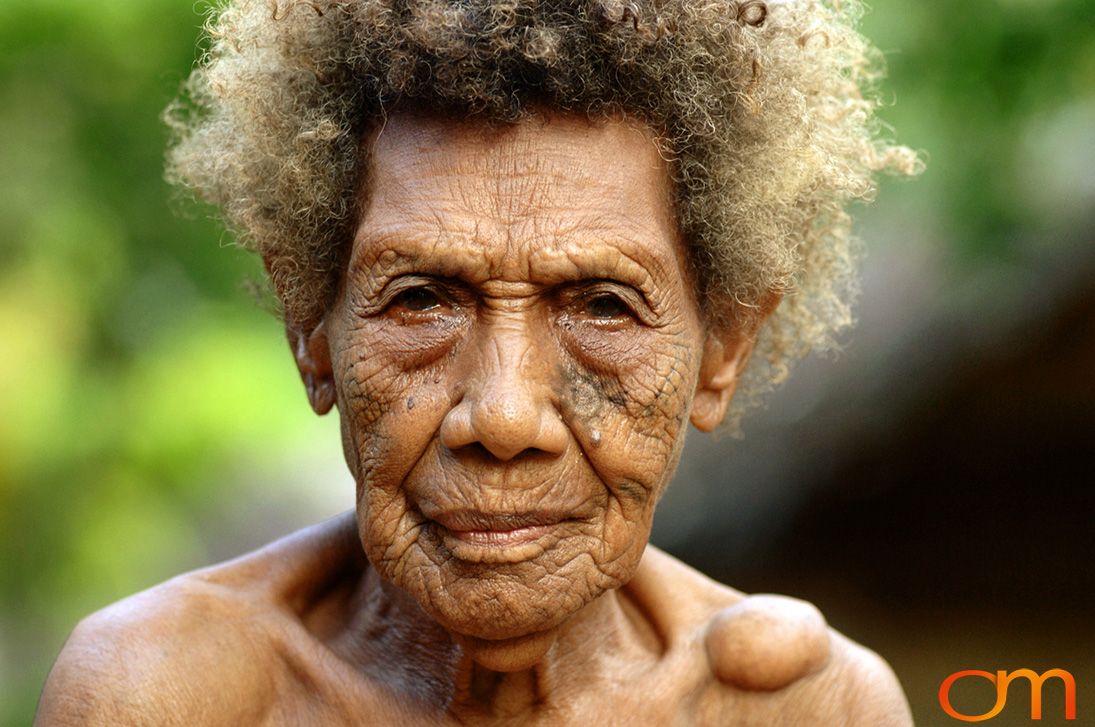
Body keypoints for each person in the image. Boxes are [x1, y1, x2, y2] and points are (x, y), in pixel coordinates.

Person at [36, 0, 920, 723]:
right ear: (312, 329)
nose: (502, 418)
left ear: (721, 348)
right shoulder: (164, 695)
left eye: (603, 306)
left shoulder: (805, 706)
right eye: (421, 298)